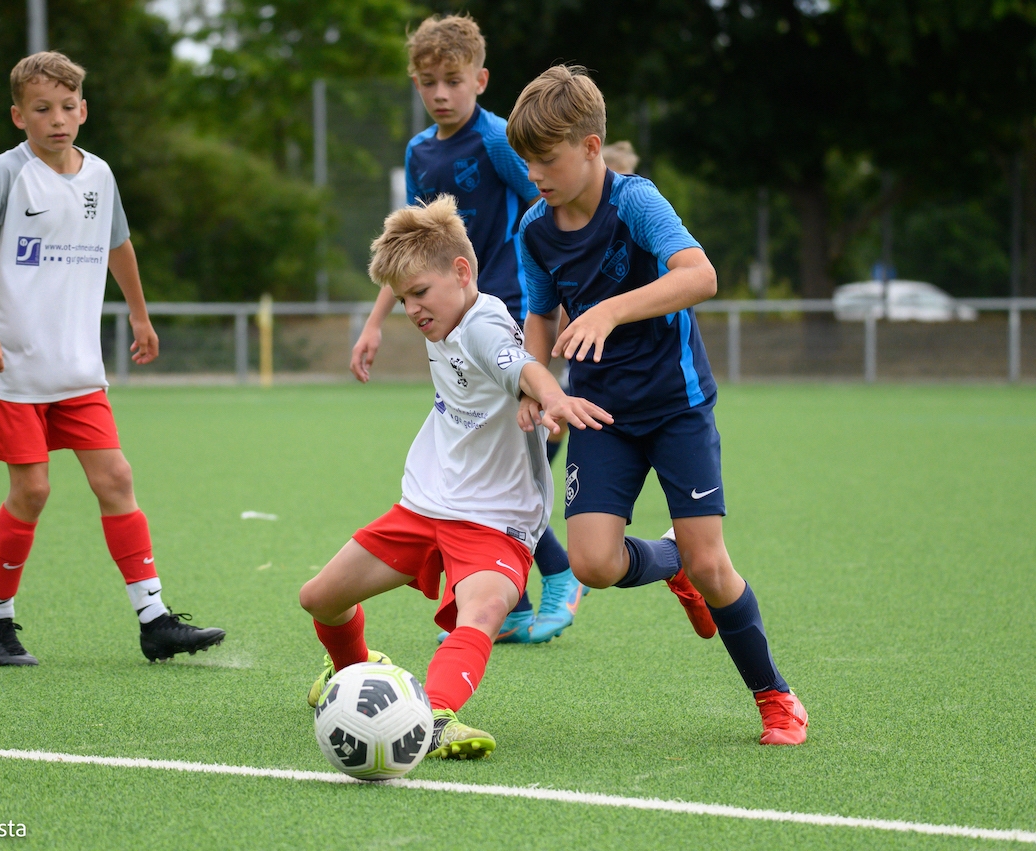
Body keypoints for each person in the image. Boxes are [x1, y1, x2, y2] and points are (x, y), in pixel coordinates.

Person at [508, 66, 808, 745]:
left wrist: (611, 309)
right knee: (591, 563)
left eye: (546, 158)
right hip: (600, 411)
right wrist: (537, 384)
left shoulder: (635, 201)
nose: (534, 174)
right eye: (527, 160)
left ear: (591, 147)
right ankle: (672, 561)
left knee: (714, 565)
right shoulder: (533, 229)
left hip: (677, 407)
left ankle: (775, 696)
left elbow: (700, 275)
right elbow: (541, 315)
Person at [0, 51, 225, 666]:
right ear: (19, 116)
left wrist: (140, 315)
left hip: (78, 371)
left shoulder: (100, 176)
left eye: (67, 107)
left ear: (84, 110)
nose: (57, 119)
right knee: (32, 491)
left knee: (116, 479)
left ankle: (154, 620)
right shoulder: (6, 174)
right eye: (42, 109)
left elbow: (119, 245)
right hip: (12, 371)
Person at [301, 197, 613, 758]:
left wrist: (551, 397)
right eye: (403, 299)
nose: (412, 309)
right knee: (320, 598)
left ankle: (436, 717)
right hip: (426, 504)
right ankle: (353, 674)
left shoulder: (482, 325)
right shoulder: (445, 321)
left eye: (420, 292)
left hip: (495, 518)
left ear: (462, 272)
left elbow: (520, 364)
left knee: (484, 612)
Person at [349, 13, 584, 645]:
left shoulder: (499, 139)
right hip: (451, 326)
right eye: (428, 83)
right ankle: (514, 605)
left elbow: (545, 210)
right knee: (478, 464)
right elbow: (409, 250)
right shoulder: (419, 151)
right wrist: (374, 323)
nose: (441, 93)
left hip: (503, 316)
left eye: (452, 81)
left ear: (479, 80)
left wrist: (557, 297)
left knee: (505, 460)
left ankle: (561, 574)